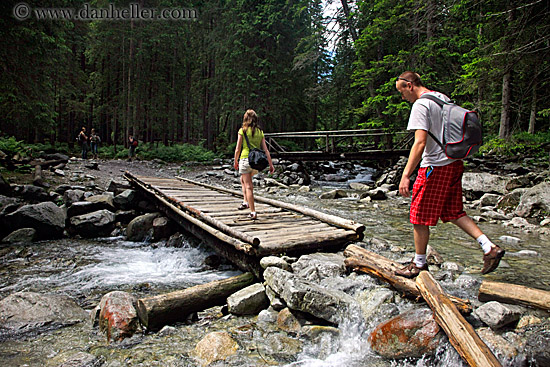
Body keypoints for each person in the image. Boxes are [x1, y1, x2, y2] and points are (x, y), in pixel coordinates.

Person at [394, 71, 505, 278]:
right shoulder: (441, 97)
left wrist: (406, 174)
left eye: (402, 92)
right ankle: (488, 247)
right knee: (454, 212)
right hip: (453, 163)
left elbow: (420, 142)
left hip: (434, 166)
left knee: (418, 216)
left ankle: (418, 264)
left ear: (409, 85)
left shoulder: (420, 105)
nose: (403, 97)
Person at [233, 109, 275, 220]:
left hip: (245, 160)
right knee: (243, 180)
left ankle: (253, 212)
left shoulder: (242, 131)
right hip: (256, 162)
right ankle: (245, 202)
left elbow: (238, 149)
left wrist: (235, 161)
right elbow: (266, 150)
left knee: (248, 186)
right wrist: (271, 165)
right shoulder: (260, 132)